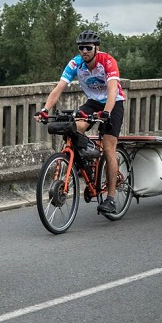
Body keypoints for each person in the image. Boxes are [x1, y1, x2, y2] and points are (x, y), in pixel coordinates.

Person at [35, 29, 126, 214]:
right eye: (81, 47)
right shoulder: (75, 63)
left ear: (96, 48)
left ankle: (110, 199)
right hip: (93, 102)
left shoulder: (107, 61)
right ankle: (88, 165)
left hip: (113, 103)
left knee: (109, 147)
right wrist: (45, 109)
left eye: (88, 47)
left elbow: (112, 89)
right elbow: (59, 88)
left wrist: (107, 112)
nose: (84, 51)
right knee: (74, 127)